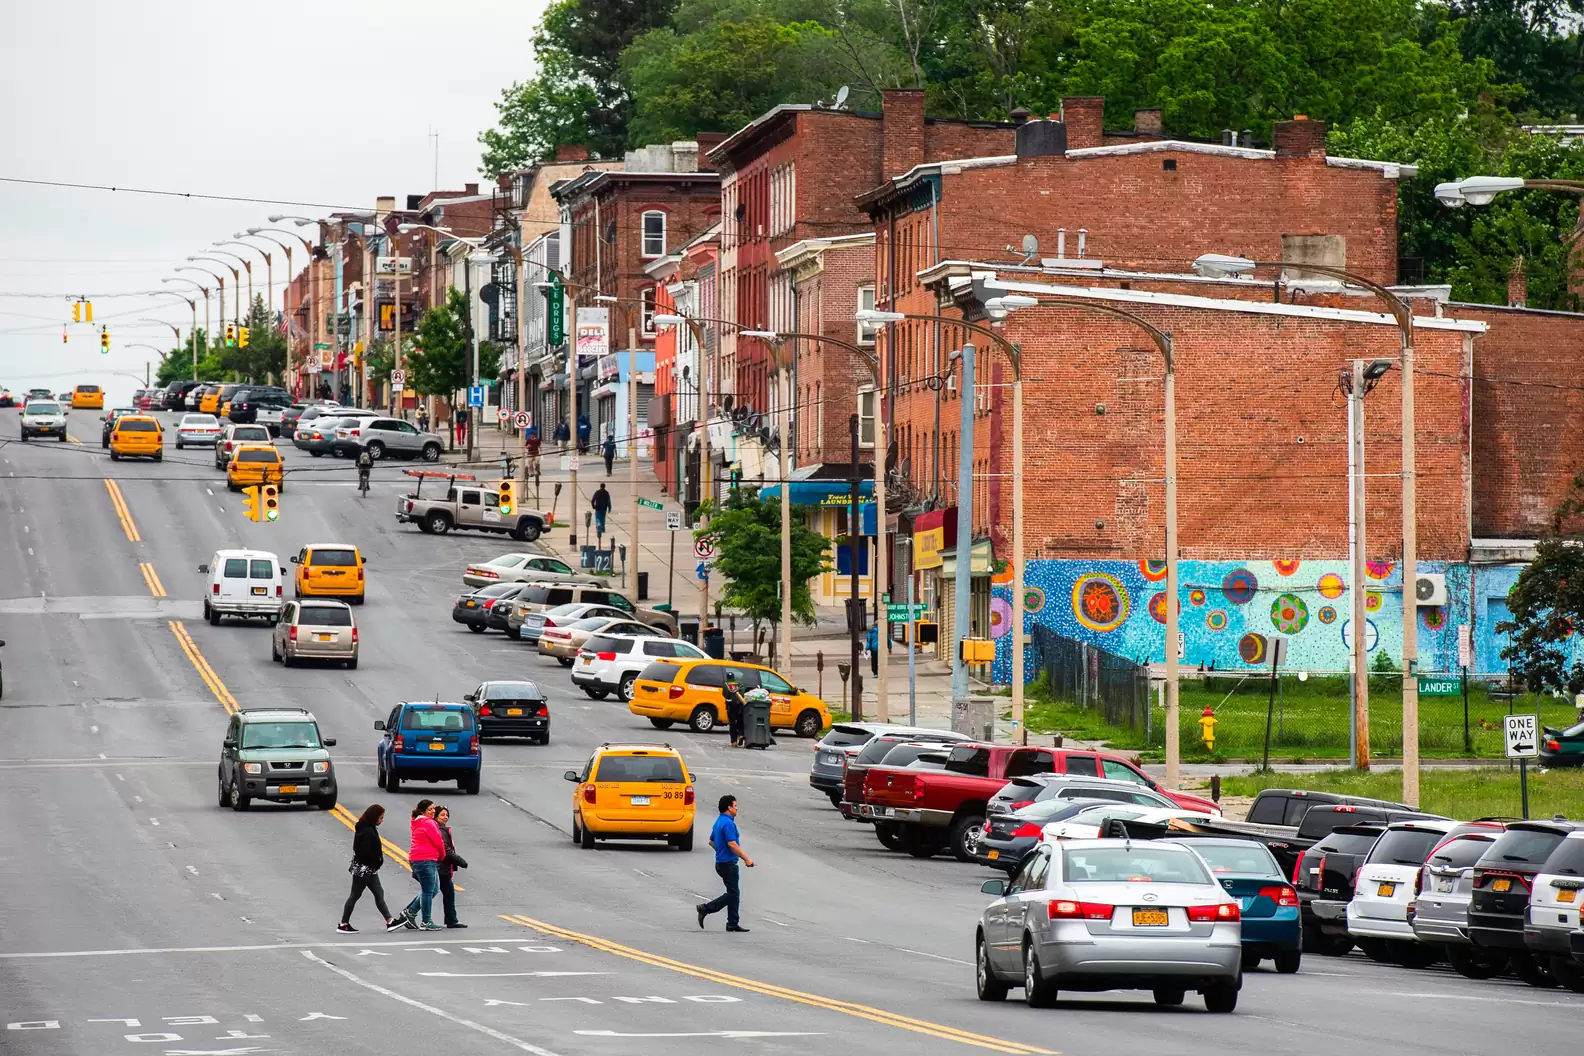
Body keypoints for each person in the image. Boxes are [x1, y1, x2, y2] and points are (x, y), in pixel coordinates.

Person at [339, 804, 404, 933]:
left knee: (374, 893)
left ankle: (389, 920)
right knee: (360, 895)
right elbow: (366, 852)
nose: (382, 820)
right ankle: (344, 923)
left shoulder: (365, 827)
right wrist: (377, 861)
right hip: (366, 870)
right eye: (381, 818)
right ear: (374, 817)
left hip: (364, 868)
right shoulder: (368, 832)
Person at [696, 795, 753, 932]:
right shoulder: (728, 824)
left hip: (721, 863)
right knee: (733, 893)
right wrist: (746, 859)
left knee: (733, 892)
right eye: (735, 805)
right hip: (727, 864)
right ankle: (706, 908)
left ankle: (732, 922)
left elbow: (711, 841)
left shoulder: (719, 821)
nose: (737, 808)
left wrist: (721, 851)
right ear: (729, 807)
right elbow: (732, 844)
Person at [402, 800, 446, 931]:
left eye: (433, 809)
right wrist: (442, 855)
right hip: (425, 859)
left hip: (422, 859)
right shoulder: (428, 823)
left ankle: (410, 912)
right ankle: (426, 921)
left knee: (434, 889)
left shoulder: (418, 822)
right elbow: (438, 841)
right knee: (428, 891)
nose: (433, 811)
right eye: (430, 809)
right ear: (422, 811)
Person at [434, 805, 469, 928]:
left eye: (447, 815)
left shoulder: (441, 829)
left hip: (441, 868)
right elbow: (446, 850)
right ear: (436, 816)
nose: (445, 817)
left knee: (444, 893)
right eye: (442, 815)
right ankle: (409, 912)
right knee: (432, 893)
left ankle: (451, 919)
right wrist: (461, 861)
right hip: (440, 868)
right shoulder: (440, 831)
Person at [722, 671, 747, 748]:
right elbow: (743, 692)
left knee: (732, 724)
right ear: (733, 677)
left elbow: (725, 694)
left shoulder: (726, 685)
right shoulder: (739, 684)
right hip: (739, 707)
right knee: (740, 722)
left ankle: (734, 741)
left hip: (731, 707)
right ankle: (741, 735)